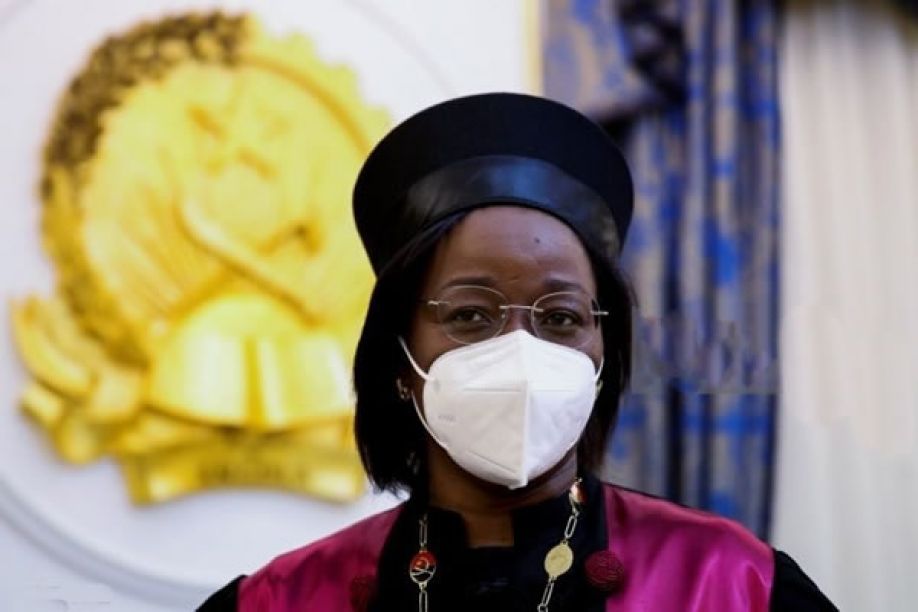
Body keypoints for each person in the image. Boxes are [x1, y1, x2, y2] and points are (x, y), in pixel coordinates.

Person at [198, 93, 835, 611]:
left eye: (560, 318)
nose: (520, 352)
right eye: (470, 316)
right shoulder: (281, 601)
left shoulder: (736, 585)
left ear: (603, 356)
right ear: (399, 362)